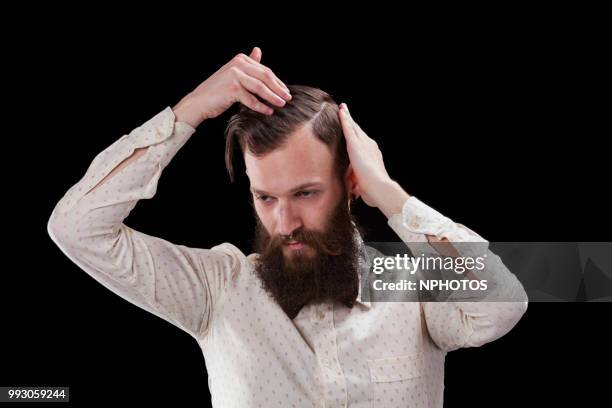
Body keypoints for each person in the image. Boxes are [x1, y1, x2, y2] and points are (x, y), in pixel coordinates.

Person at [48, 47, 528, 407]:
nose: (285, 223)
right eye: (265, 198)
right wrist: (189, 111)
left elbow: (504, 303)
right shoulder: (217, 289)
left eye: (306, 193)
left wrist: (389, 194)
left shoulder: (412, 288)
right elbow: (76, 228)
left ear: (349, 183)